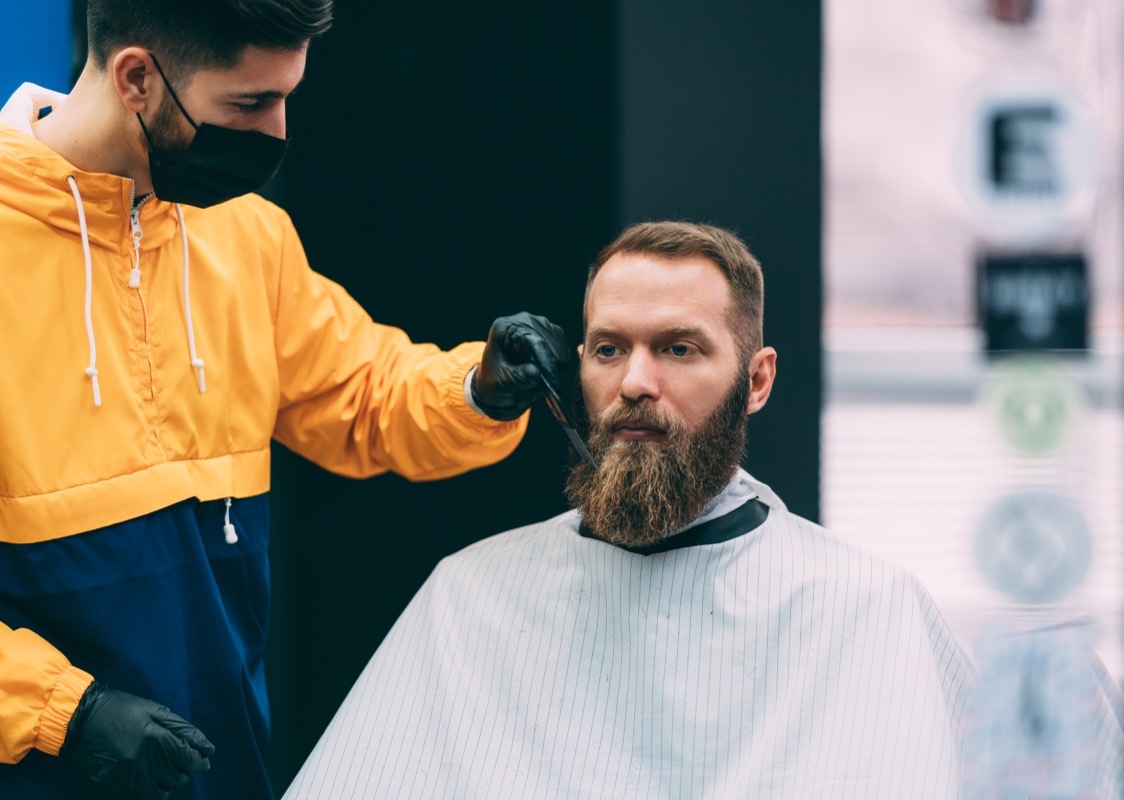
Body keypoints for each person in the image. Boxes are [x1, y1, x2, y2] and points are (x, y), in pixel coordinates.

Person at [0, 2, 573, 798]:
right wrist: (66, 709)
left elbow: (364, 396)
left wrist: (479, 388)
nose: (276, 132)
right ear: (137, 77)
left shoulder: (248, 237)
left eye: (285, 98)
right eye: (249, 104)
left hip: (223, 767)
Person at [282, 221, 983, 798]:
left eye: (678, 349)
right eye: (610, 350)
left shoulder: (864, 607)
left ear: (757, 380)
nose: (635, 382)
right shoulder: (472, 595)